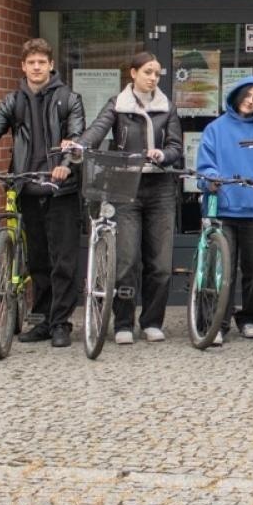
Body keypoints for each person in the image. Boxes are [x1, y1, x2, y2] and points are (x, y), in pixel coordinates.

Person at [0, 38, 84, 348]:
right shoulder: (13, 101)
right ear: (23, 67)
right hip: (28, 186)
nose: (37, 67)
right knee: (38, 260)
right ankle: (42, 319)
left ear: (51, 65)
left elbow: (76, 136)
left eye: (42, 62)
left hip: (61, 189)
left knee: (63, 260)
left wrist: (66, 165)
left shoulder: (69, 98)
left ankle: (61, 324)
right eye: (32, 63)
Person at [74, 51, 183, 344]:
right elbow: (97, 131)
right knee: (126, 260)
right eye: (148, 72)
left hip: (160, 187)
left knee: (160, 263)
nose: (153, 78)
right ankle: (123, 322)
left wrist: (163, 154)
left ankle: (151, 321)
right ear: (132, 73)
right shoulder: (118, 105)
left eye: (157, 74)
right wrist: (79, 147)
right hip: (127, 187)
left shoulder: (166, 107)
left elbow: (176, 146)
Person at [195, 76, 253, 343]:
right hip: (224, 208)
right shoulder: (215, 129)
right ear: (236, 95)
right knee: (222, 271)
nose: (251, 101)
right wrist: (210, 179)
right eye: (248, 95)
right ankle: (216, 324)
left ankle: (250, 318)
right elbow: (205, 165)